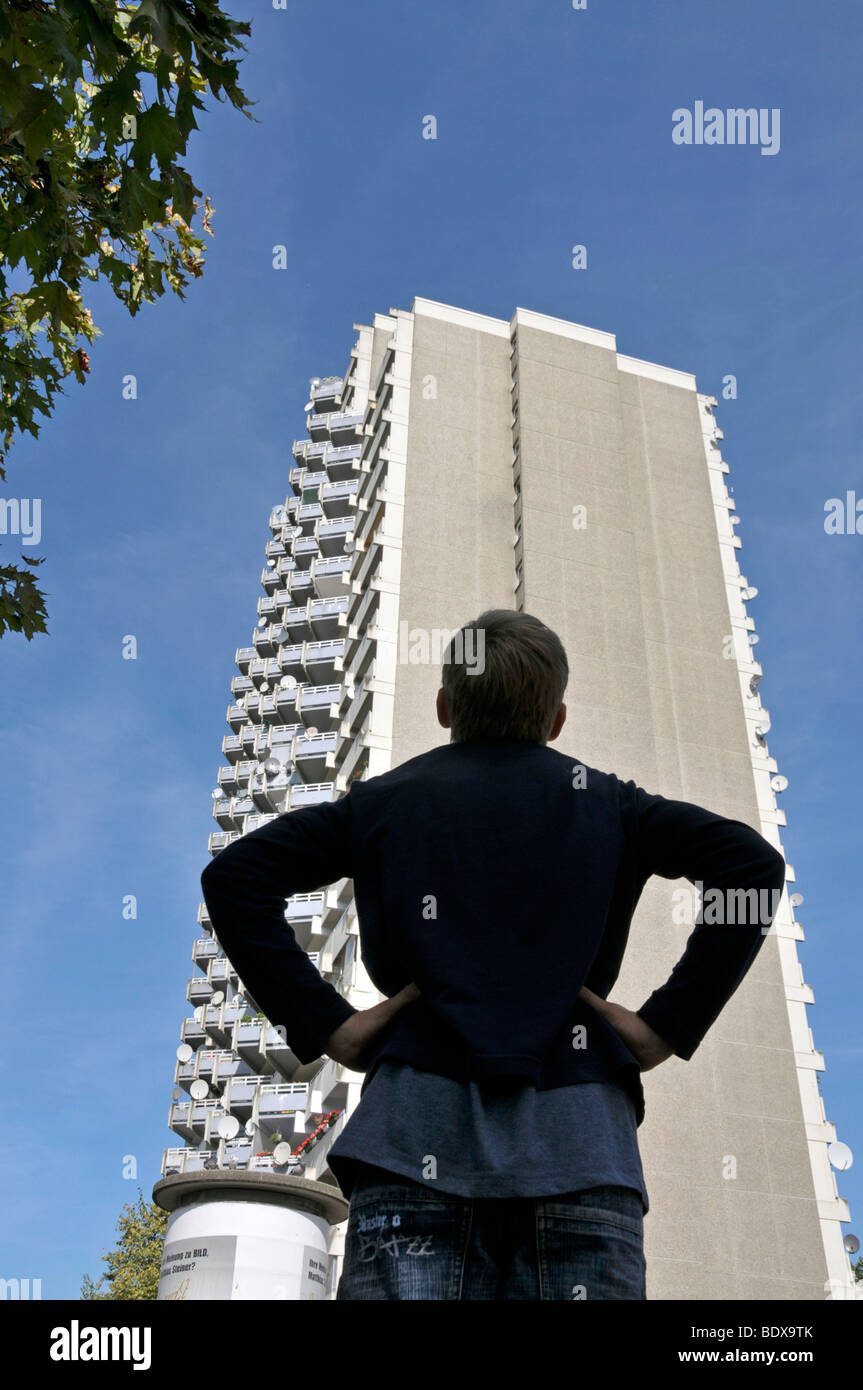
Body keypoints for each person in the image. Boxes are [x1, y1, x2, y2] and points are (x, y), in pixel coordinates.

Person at [201, 609, 787, 1300]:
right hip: (580, 1145)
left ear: (445, 705)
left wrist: (330, 1024)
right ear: (557, 719)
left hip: (412, 1135)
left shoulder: (385, 804)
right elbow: (748, 863)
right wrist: (664, 1025)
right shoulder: (607, 805)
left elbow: (235, 877)